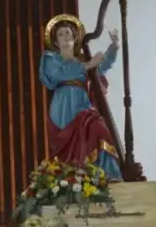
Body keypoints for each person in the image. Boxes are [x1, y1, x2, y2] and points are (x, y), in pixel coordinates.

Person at [39, 14, 123, 180]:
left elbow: (101, 68)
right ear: (56, 41)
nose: (64, 36)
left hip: (82, 103)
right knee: (67, 146)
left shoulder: (83, 60)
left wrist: (113, 48)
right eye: (60, 34)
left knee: (98, 128)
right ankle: (70, 178)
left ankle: (109, 174)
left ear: (75, 38)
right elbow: (58, 74)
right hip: (63, 104)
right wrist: (88, 65)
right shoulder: (50, 58)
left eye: (67, 33)